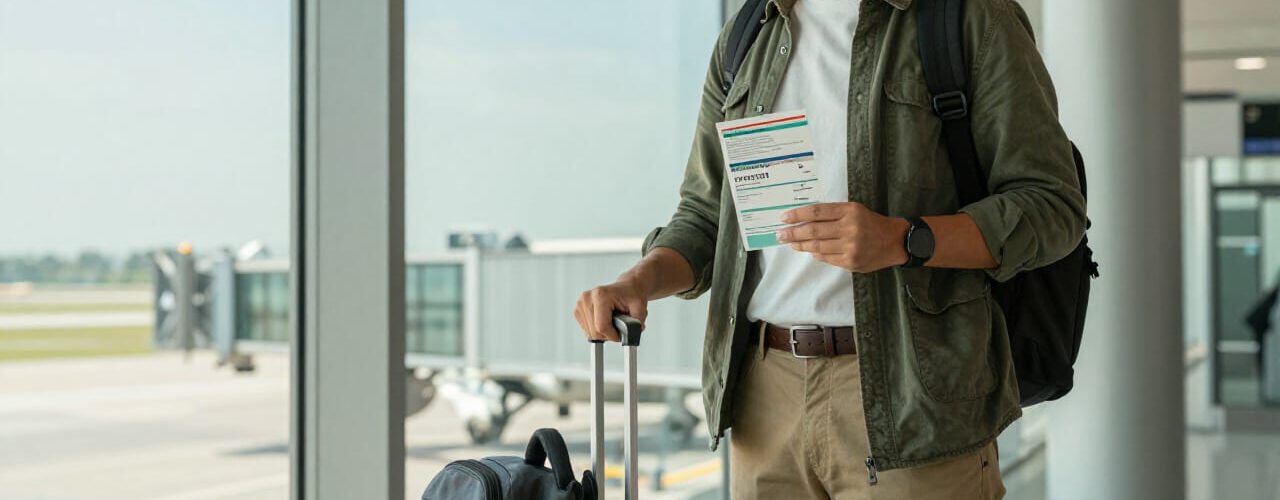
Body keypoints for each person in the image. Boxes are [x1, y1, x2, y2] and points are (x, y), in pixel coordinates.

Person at [573, 0, 1085, 498]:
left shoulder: (970, 16)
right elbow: (707, 217)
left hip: (916, 396)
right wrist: (637, 282)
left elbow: (1052, 205)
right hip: (765, 397)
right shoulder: (748, 33)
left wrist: (903, 239)